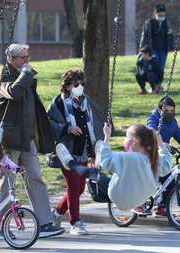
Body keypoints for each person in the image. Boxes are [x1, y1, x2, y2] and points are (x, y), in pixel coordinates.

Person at [0, 43, 64, 239]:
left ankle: (45, 223)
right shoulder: (2, 75)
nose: (27, 61)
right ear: (11, 59)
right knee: (8, 183)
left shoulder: (26, 76)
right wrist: (26, 74)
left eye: (28, 57)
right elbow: (14, 93)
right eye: (23, 58)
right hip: (9, 139)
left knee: (35, 179)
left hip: (27, 139)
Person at [57, 123, 172, 212]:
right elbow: (167, 165)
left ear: (134, 141)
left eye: (127, 137)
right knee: (115, 169)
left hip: (119, 197)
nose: (125, 140)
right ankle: (94, 160)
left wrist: (106, 138)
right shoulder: (155, 158)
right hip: (142, 199)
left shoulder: (128, 158)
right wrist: (160, 143)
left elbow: (106, 162)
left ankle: (72, 164)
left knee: (96, 176)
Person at [47, 69, 104, 235]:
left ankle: (57, 213)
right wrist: (67, 128)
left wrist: (94, 150)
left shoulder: (87, 102)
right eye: (76, 84)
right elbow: (48, 123)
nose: (80, 87)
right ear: (67, 86)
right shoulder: (58, 103)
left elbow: (92, 126)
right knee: (73, 186)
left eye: (82, 84)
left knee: (79, 189)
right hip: (66, 152)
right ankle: (75, 223)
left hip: (83, 151)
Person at [147, 96, 180, 216]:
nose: (169, 113)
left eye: (172, 111)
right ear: (160, 110)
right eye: (166, 111)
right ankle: (140, 203)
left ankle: (161, 208)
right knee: (150, 179)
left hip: (162, 156)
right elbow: (151, 132)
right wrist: (163, 144)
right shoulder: (153, 118)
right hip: (150, 153)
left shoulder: (172, 123)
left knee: (170, 182)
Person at [140, 4, 174, 91]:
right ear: (155, 13)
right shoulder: (149, 23)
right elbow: (144, 36)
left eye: (163, 15)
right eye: (159, 15)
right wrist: (142, 47)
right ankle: (153, 86)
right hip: (152, 49)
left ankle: (159, 85)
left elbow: (170, 35)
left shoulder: (167, 23)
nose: (161, 17)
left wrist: (172, 45)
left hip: (163, 50)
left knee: (161, 68)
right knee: (153, 67)